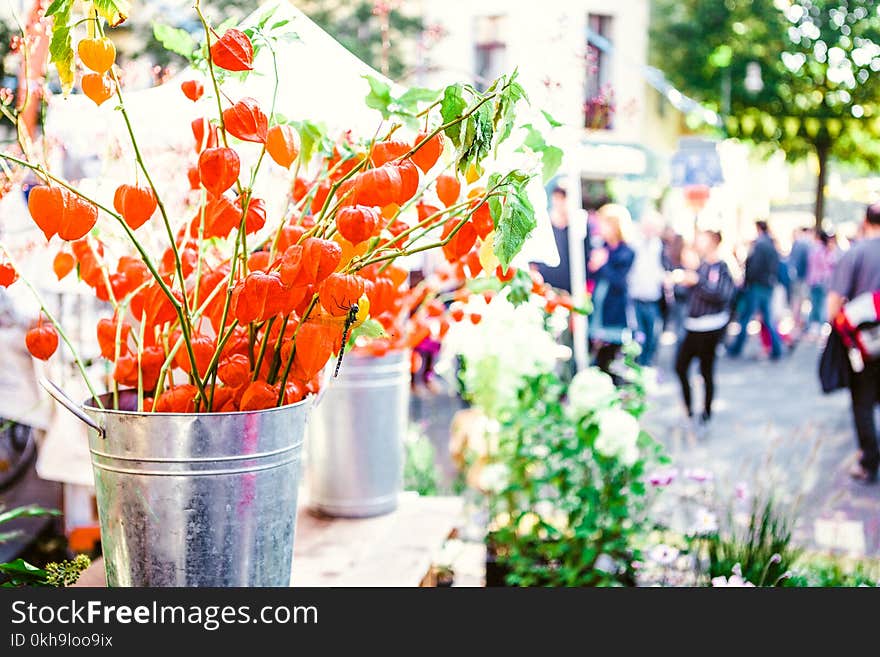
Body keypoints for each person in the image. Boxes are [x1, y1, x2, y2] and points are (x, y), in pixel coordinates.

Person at [827, 203, 880, 484]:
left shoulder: (855, 254)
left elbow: (832, 306)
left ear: (865, 221)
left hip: (864, 345)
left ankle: (869, 461)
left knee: (863, 402)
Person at [673, 231, 736, 424]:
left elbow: (722, 295)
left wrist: (697, 281)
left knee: (706, 370)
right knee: (681, 367)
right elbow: (685, 295)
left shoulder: (721, 266)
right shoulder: (699, 265)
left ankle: (706, 412)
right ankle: (690, 409)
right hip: (693, 325)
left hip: (710, 327)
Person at [588, 203, 635, 379]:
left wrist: (603, 265)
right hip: (598, 312)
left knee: (611, 364)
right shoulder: (601, 247)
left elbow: (619, 282)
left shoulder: (626, 251)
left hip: (614, 315)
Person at [728, 220, 783, 359]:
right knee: (767, 319)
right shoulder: (771, 243)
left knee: (746, 317)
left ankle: (736, 348)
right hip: (767, 285)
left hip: (757, 286)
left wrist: (747, 281)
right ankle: (776, 349)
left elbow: (754, 267)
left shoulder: (760, 244)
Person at [628, 211, 666, 366]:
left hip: (652, 298)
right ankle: (638, 366)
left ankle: (647, 365)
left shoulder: (658, 245)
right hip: (635, 297)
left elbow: (659, 269)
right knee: (638, 335)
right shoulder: (633, 243)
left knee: (653, 336)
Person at [534, 187, 587, 293]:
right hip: (547, 284)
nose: (559, 203)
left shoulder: (579, 225)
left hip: (571, 285)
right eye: (557, 199)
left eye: (562, 199)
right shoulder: (545, 224)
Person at [805, 229, 837, 334]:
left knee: (816, 303)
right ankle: (819, 325)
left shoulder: (816, 250)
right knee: (820, 303)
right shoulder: (825, 250)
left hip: (816, 280)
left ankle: (815, 326)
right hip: (822, 280)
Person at [789, 227, 813, 328]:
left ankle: (796, 320)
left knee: (797, 300)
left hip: (797, 276)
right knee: (801, 300)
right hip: (803, 277)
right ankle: (799, 321)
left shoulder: (797, 243)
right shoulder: (807, 244)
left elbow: (792, 260)